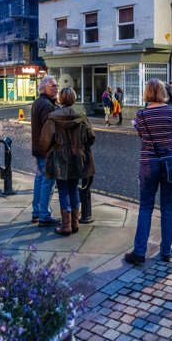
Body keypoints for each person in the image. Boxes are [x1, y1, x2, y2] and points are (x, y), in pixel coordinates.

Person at [125, 79, 172, 265]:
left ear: (147, 93)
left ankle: (139, 252)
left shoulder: (141, 115)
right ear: (163, 92)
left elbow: (142, 135)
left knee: (146, 207)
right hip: (170, 162)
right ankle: (166, 251)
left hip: (149, 163)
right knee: (168, 208)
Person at [39, 87, 95, 236]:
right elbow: (91, 137)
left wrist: (50, 150)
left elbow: (45, 141)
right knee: (74, 188)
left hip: (60, 158)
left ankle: (66, 225)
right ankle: (75, 223)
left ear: (61, 99)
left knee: (63, 189)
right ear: (74, 98)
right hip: (78, 156)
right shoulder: (82, 116)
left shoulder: (53, 117)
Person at [30, 76, 59, 226]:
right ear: (44, 87)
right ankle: (44, 215)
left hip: (38, 148)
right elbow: (50, 131)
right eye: (53, 86)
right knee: (47, 182)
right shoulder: (47, 105)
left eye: (56, 85)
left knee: (40, 180)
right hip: (46, 150)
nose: (56, 88)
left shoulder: (38, 102)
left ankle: (36, 212)